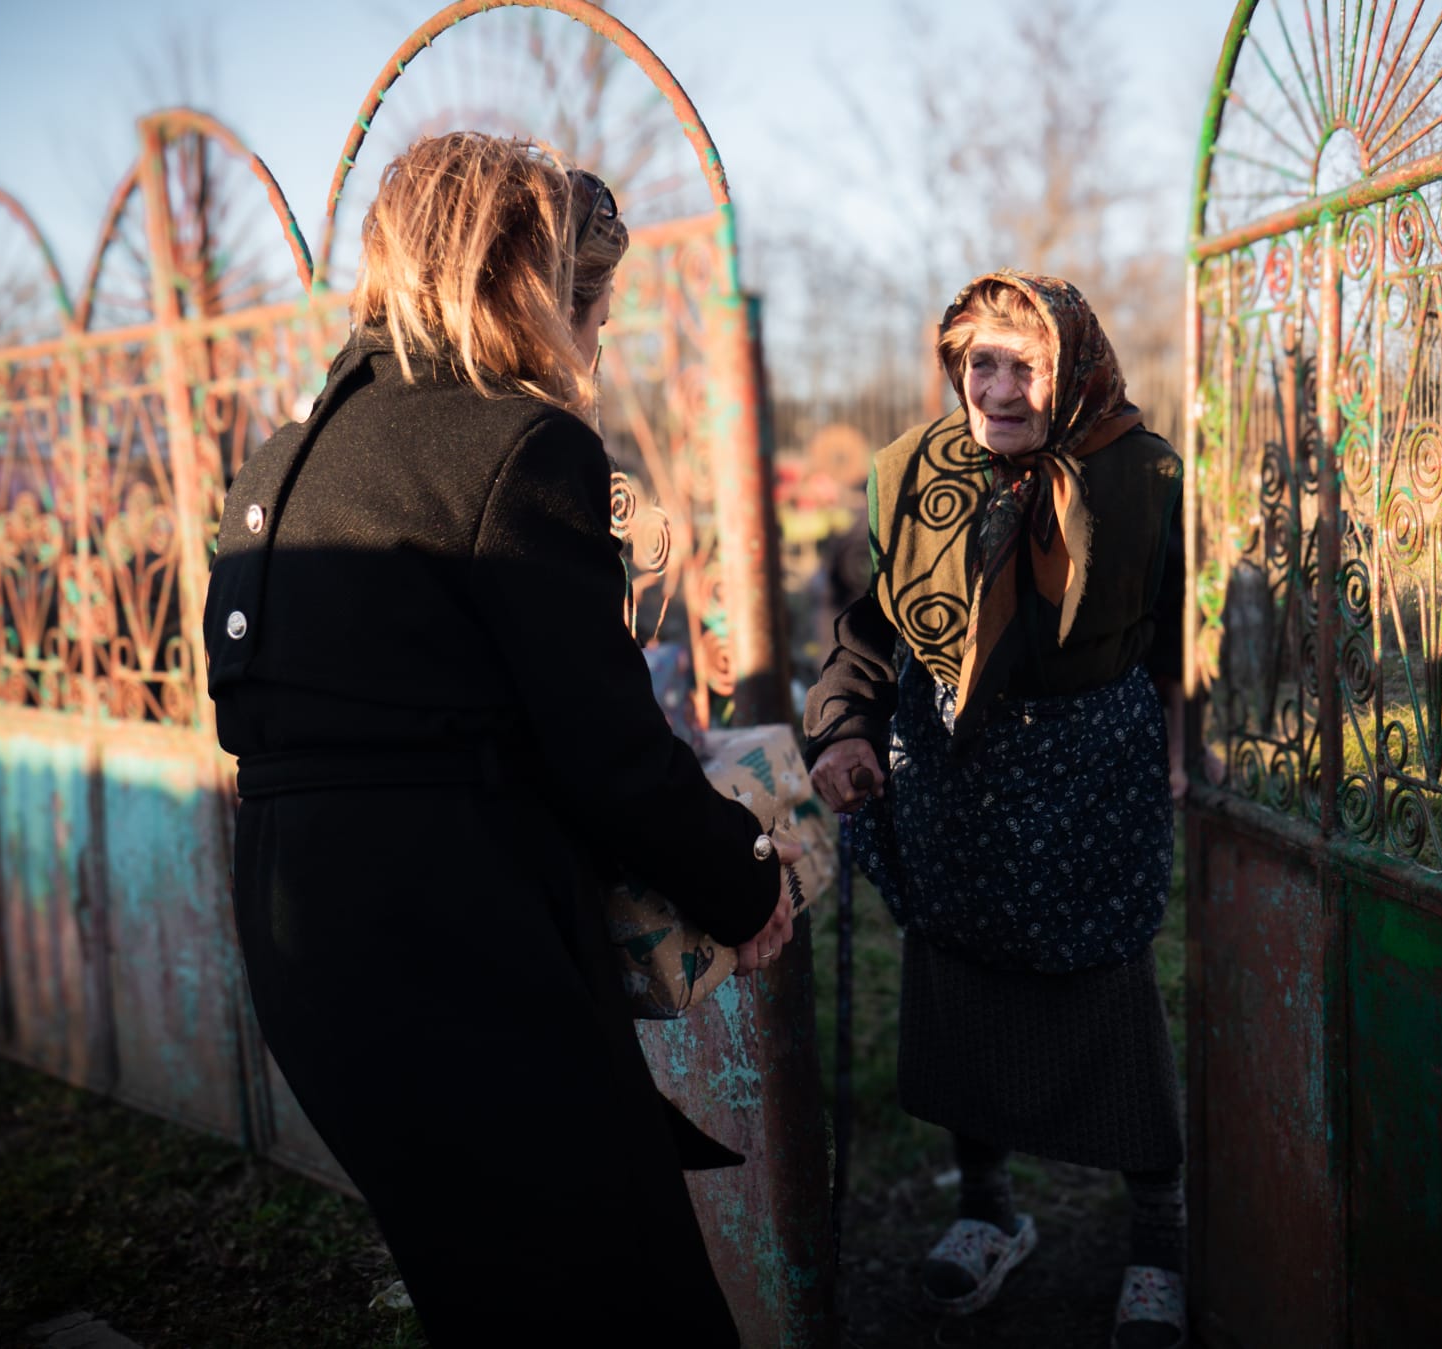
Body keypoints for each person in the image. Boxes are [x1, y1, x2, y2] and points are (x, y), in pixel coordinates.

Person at [201, 133, 799, 1345]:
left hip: (307, 949)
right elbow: (607, 747)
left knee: (491, 1294)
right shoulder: (516, 443)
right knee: (631, 1308)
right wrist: (746, 881)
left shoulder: (280, 459)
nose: (595, 341)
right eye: (592, 307)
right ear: (528, 284)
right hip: (450, 952)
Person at [805, 271, 1189, 1348]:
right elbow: (868, 630)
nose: (999, 387)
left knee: (1110, 994)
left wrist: (1174, 752)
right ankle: (988, 1209)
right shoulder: (912, 475)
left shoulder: (1139, 474)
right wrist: (840, 730)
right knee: (963, 985)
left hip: (1089, 780)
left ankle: (1157, 1234)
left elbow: (1170, 640)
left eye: (1027, 364)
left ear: (1071, 372)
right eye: (981, 361)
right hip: (956, 784)